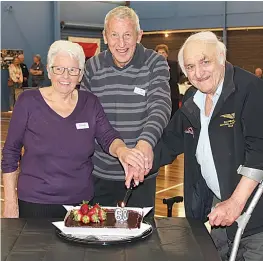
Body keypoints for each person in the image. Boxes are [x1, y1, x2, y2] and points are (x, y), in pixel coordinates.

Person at [150, 31, 263, 260]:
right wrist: (140, 161)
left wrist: (235, 203)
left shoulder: (250, 88)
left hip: (254, 213)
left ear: (221, 58)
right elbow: (170, 140)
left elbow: (259, 153)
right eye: (190, 67)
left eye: (205, 62)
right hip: (218, 210)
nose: (198, 73)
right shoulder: (194, 97)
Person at [1, 40, 146, 219]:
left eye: (72, 70)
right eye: (59, 69)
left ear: (80, 75)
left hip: (81, 206)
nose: (65, 76)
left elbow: (108, 136)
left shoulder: (90, 102)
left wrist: (123, 151)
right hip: (35, 203)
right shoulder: (28, 102)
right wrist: (10, 203)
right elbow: (10, 153)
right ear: (49, 70)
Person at [80, 6, 171, 216]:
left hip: (140, 174)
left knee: (139, 242)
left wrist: (144, 145)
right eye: (114, 35)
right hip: (100, 173)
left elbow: (160, 105)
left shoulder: (155, 62)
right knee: (99, 238)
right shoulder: (92, 66)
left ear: (139, 35)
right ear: (104, 36)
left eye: (127, 35)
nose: (121, 44)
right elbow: (88, 117)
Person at [155, 44, 181, 116]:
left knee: (174, 115)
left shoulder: (173, 64)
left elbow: (176, 79)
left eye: (163, 52)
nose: (161, 55)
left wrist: (168, 71)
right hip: (159, 96)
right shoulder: (153, 66)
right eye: (159, 53)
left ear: (167, 54)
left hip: (172, 95)